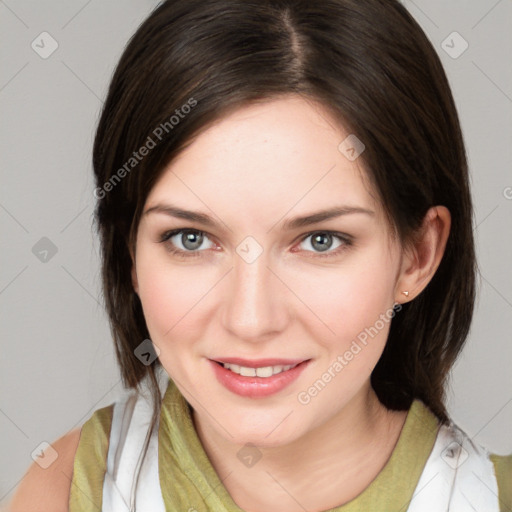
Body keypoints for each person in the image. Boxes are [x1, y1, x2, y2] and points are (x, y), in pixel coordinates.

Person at [8, 0, 511, 511]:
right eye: (191, 239)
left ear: (417, 256)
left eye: (320, 241)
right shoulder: (65, 490)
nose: (250, 320)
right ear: (128, 253)